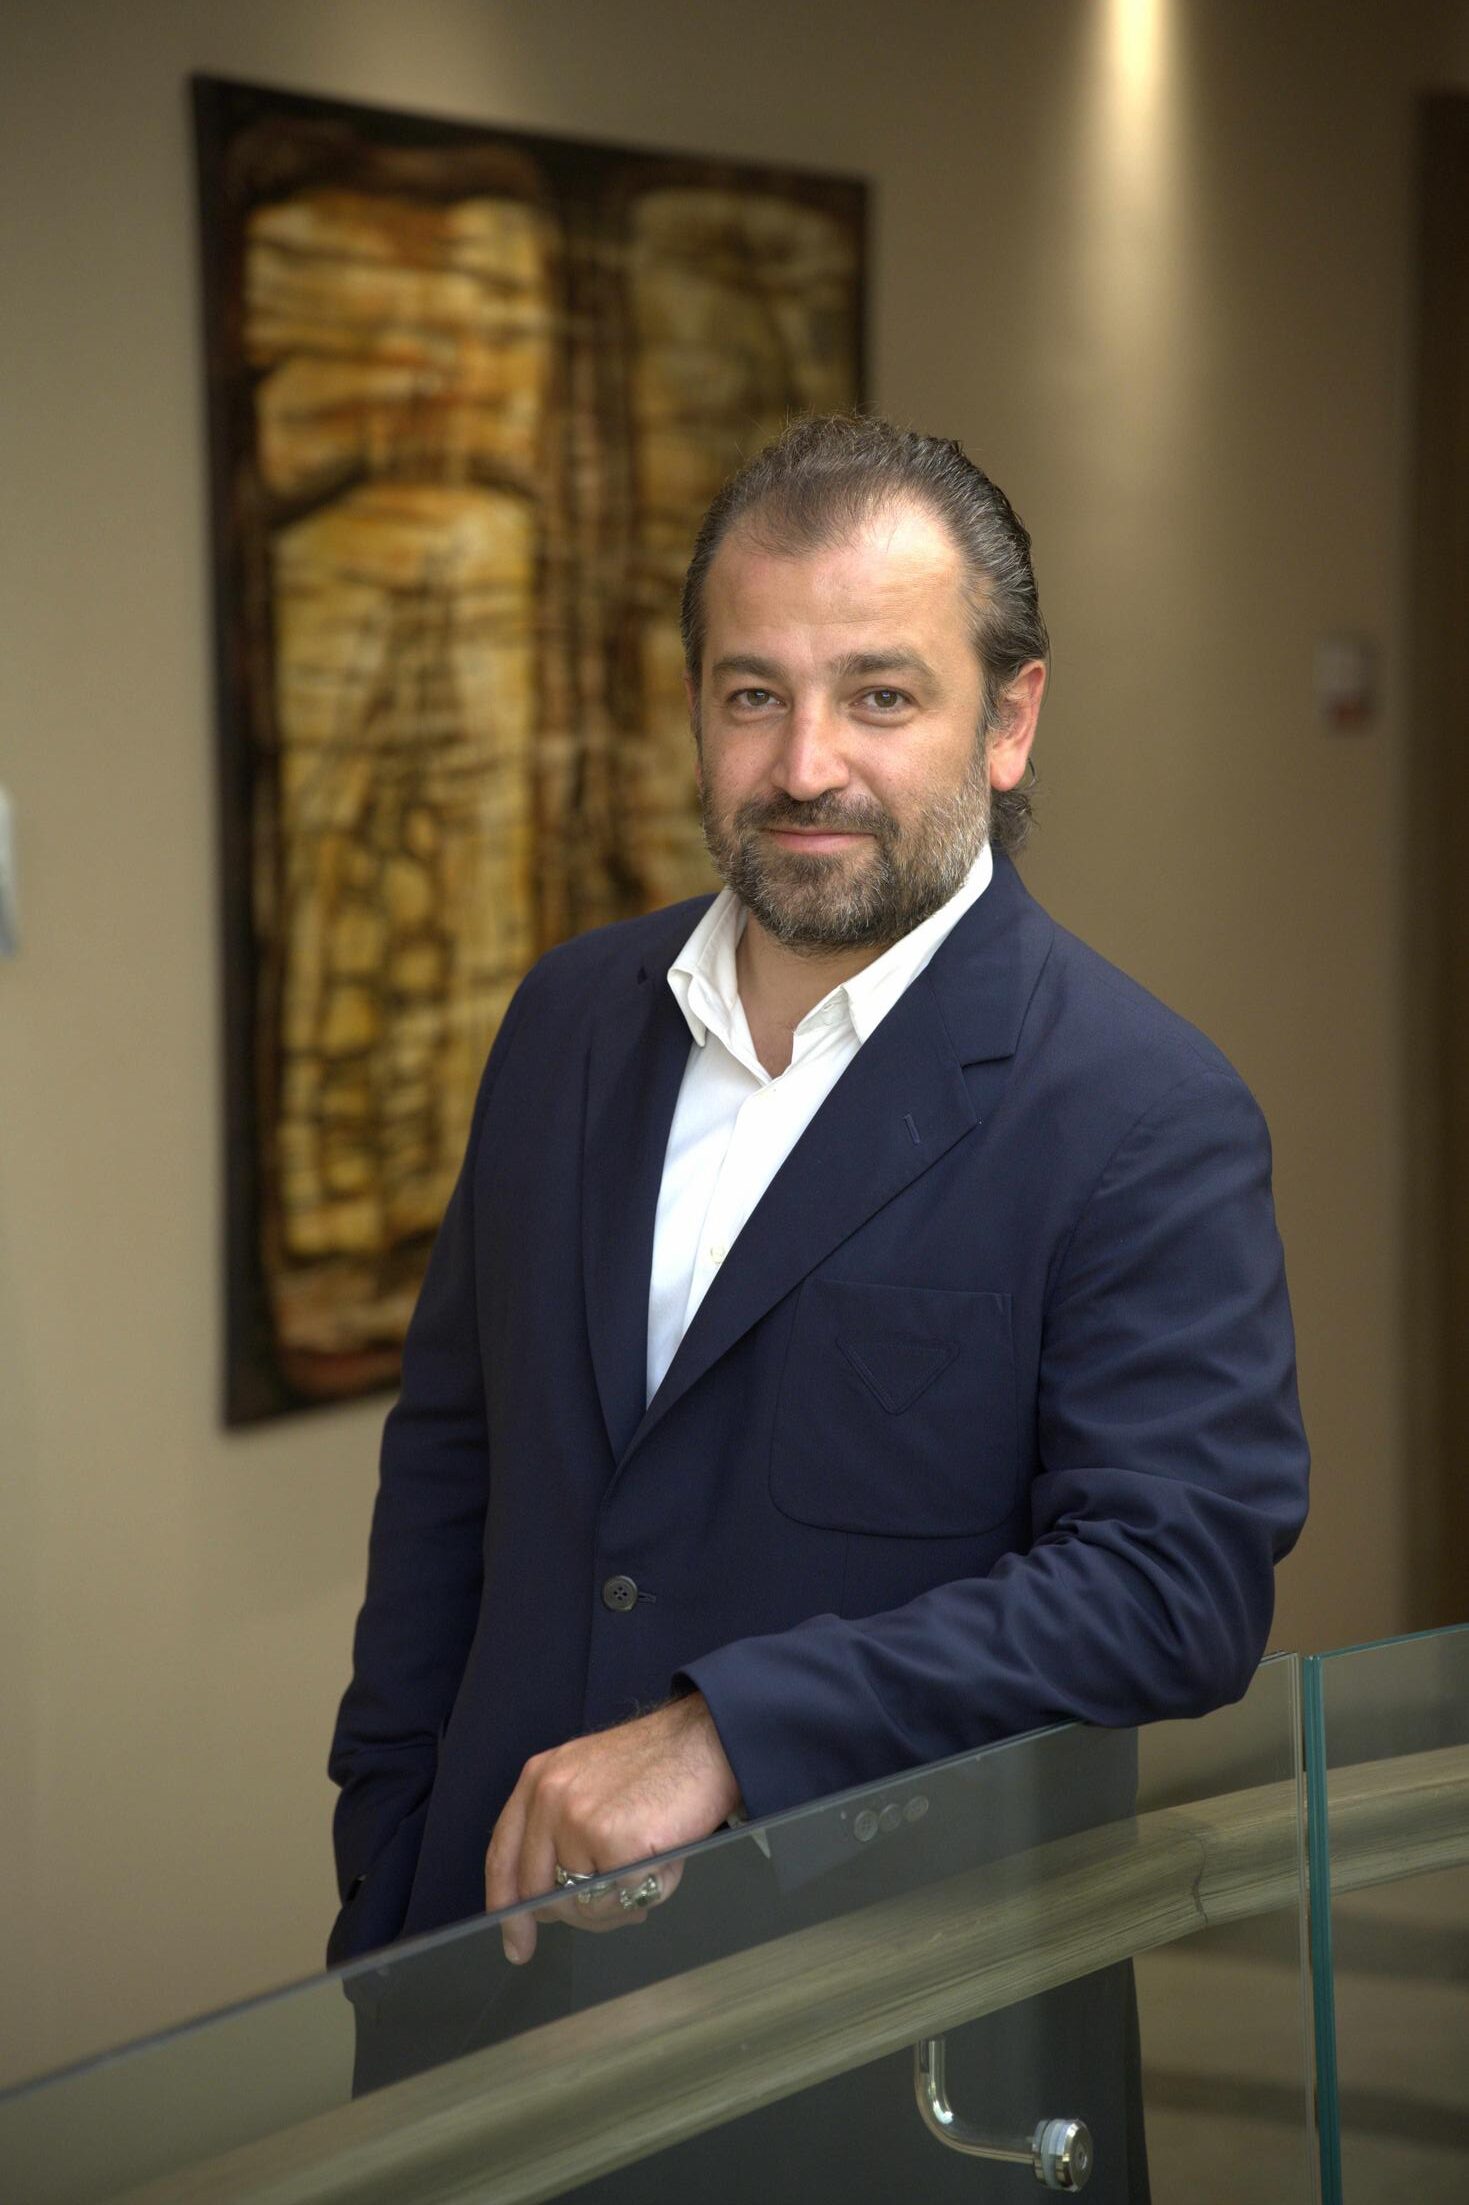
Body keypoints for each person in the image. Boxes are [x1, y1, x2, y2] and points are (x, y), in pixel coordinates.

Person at [327, 415, 1309, 2194]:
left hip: (887, 2066)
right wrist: (383, 1885)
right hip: (487, 2021)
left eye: (879, 695)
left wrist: (725, 1730)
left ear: (1008, 721)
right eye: (751, 695)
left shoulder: (1139, 1110)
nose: (804, 764)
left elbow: (1171, 1586)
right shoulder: (565, 1022)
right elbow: (450, 1474)